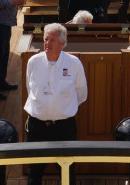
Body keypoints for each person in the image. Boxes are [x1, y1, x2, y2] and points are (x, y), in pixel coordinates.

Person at [23, 23, 88, 185]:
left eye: (52, 40)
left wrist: (62, 109)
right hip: (36, 127)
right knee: (34, 174)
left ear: (63, 43)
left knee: (67, 173)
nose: (47, 43)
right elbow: (29, 89)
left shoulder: (74, 64)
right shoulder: (33, 62)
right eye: (46, 39)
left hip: (64, 128)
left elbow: (81, 94)